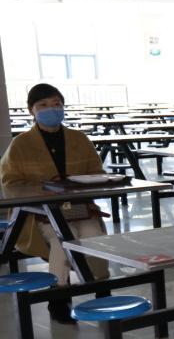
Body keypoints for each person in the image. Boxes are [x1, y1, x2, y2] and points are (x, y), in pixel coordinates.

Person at [0, 83, 110, 323]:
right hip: (41, 213)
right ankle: (58, 297)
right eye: (43, 105)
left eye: (56, 104)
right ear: (32, 110)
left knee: (94, 236)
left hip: (80, 208)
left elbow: (97, 173)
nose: (51, 109)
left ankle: (102, 289)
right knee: (64, 239)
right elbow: (10, 183)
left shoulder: (79, 139)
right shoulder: (20, 145)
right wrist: (46, 188)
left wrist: (82, 184)